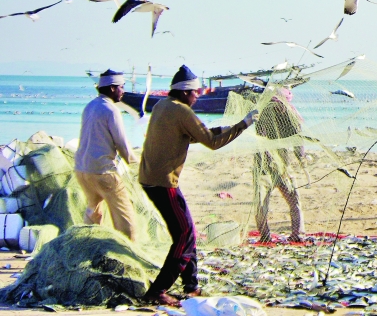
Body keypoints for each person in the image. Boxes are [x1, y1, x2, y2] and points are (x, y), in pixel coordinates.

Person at [139, 65, 258, 306]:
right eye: (196, 92)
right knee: (183, 234)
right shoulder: (182, 111)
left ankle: (191, 286)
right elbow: (212, 143)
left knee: (187, 229)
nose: (198, 96)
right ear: (184, 93)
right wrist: (243, 125)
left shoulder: (162, 106)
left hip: (149, 178)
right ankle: (158, 290)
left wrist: (225, 129)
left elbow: (194, 134)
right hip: (163, 182)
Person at [74, 69, 139, 241]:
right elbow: (122, 143)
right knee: (125, 218)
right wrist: (136, 163)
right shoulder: (111, 110)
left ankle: (87, 246)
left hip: (82, 170)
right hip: (103, 172)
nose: (123, 91)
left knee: (93, 211)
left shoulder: (90, 106)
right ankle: (128, 252)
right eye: (121, 87)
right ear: (112, 88)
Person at [253, 87, 305, 243]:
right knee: (260, 204)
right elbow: (260, 139)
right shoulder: (263, 115)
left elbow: (298, 141)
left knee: (294, 199)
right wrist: (270, 158)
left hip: (283, 167)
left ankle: (297, 234)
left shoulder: (292, 117)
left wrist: (301, 158)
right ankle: (265, 236)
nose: (278, 107)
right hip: (263, 168)